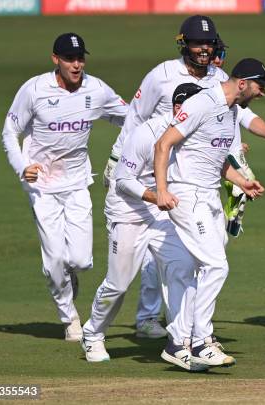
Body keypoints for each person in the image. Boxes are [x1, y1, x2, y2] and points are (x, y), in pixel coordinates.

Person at [1, 33, 128, 342]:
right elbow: (10, 131)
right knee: (55, 257)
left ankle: (67, 277)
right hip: (42, 185)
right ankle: (69, 316)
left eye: (81, 58)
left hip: (76, 182)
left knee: (81, 261)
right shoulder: (34, 90)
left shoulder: (96, 89)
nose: (77, 64)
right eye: (70, 59)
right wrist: (23, 167)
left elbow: (128, 116)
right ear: (55, 59)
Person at [154, 58, 265, 370]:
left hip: (210, 196)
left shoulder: (231, 111)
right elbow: (163, 144)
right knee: (217, 265)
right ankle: (203, 340)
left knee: (199, 269)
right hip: (187, 194)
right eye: (260, 85)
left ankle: (178, 341)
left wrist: (243, 182)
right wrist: (162, 190)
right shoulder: (202, 103)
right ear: (242, 82)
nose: (262, 92)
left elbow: (217, 160)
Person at [79, 83, 204, 364]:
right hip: (128, 209)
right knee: (118, 283)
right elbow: (122, 180)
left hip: (162, 212)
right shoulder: (146, 134)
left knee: (183, 269)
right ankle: (93, 332)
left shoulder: (196, 132)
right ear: (177, 109)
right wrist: (153, 195)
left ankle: (181, 342)